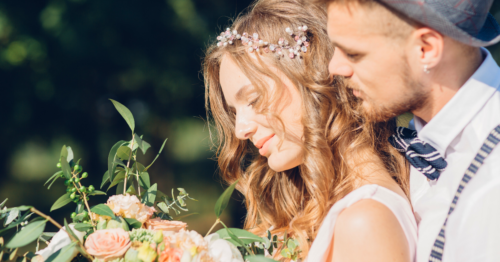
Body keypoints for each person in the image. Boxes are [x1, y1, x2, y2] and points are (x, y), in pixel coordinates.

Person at [203, 0, 416, 261]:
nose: (240, 130)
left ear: (311, 75)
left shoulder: (365, 222)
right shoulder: (318, 208)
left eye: (254, 99)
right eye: (235, 112)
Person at [318, 0, 500, 261]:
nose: (334, 68)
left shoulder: (492, 185)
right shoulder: (423, 136)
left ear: (426, 49)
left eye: (353, 54)